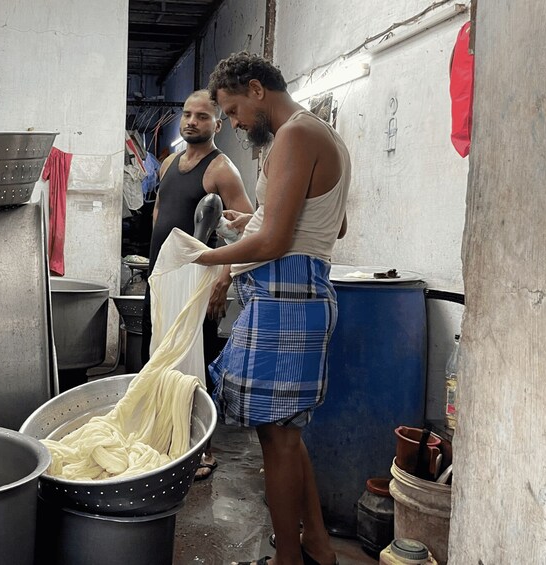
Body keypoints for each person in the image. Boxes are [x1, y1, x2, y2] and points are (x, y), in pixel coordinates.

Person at [196, 52, 350, 565]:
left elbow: (277, 243)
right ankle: (317, 545)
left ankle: (288, 559)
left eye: (234, 110)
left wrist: (205, 255)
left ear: (257, 90)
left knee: (277, 440)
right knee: (283, 431)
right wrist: (254, 220)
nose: (234, 123)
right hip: (295, 290)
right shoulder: (318, 135)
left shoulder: (296, 136)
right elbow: (332, 225)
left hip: (288, 291)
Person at [142, 89, 254, 481]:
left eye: (202, 116)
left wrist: (223, 281)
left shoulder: (222, 169)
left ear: (217, 125)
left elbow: (247, 229)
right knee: (157, 356)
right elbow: (160, 211)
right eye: (187, 114)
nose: (191, 121)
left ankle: (204, 448)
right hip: (162, 278)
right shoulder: (170, 162)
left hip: (196, 282)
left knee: (193, 367)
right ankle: (163, 438)